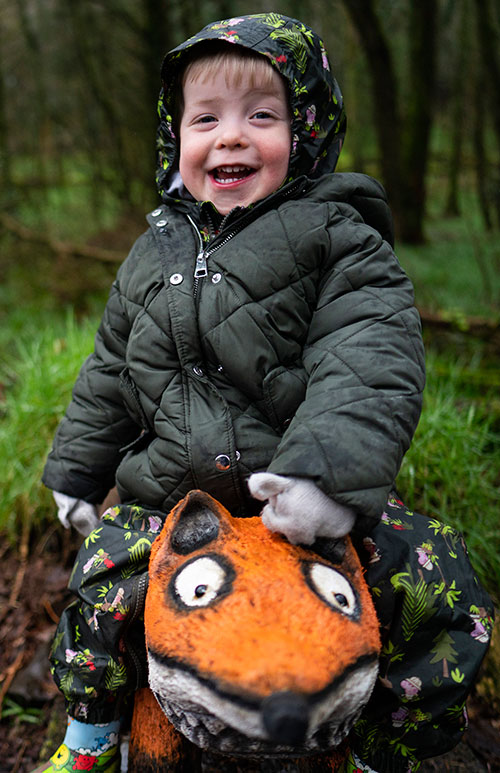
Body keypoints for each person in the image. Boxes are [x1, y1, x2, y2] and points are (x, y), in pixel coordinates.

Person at [35, 13, 493, 773]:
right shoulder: (152, 254)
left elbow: (369, 355)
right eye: (205, 118)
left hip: (299, 501)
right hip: (176, 502)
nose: (232, 137)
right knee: (99, 578)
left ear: (308, 132)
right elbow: (110, 368)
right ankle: (91, 734)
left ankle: (385, 751)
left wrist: (326, 475)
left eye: (263, 116)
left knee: (442, 580)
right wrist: (79, 472)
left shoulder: (337, 238)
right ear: (174, 139)